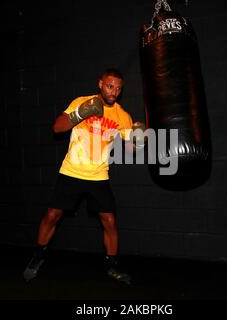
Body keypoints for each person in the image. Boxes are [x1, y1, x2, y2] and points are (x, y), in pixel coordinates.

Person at [23, 68, 144, 284]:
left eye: (118, 88)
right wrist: (81, 113)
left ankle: (112, 266)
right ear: (100, 84)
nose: (114, 91)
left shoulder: (122, 116)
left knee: (109, 221)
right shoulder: (81, 101)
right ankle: (37, 257)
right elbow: (57, 127)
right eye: (110, 86)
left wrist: (139, 140)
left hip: (98, 175)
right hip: (71, 171)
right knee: (52, 215)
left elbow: (131, 151)